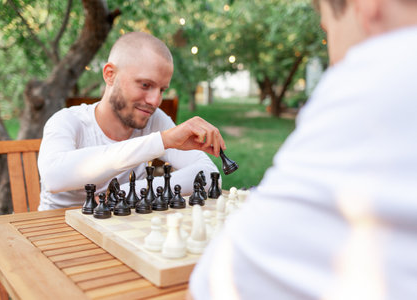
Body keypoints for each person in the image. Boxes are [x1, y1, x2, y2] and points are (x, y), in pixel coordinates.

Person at [189, 0, 417, 299]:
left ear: (367, 5)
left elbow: (217, 283)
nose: (334, 59)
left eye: (328, 31)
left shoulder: (382, 73)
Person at [38, 32, 224, 210]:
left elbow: (209, 174)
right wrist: (161, 141)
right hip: (57, 232)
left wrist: (123, 193)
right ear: (110, 74)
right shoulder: (67, 120)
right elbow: (54, 177)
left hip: (119, 232)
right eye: (145, 85)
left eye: (162, 90)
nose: (154, 101)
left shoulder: (154, 119)